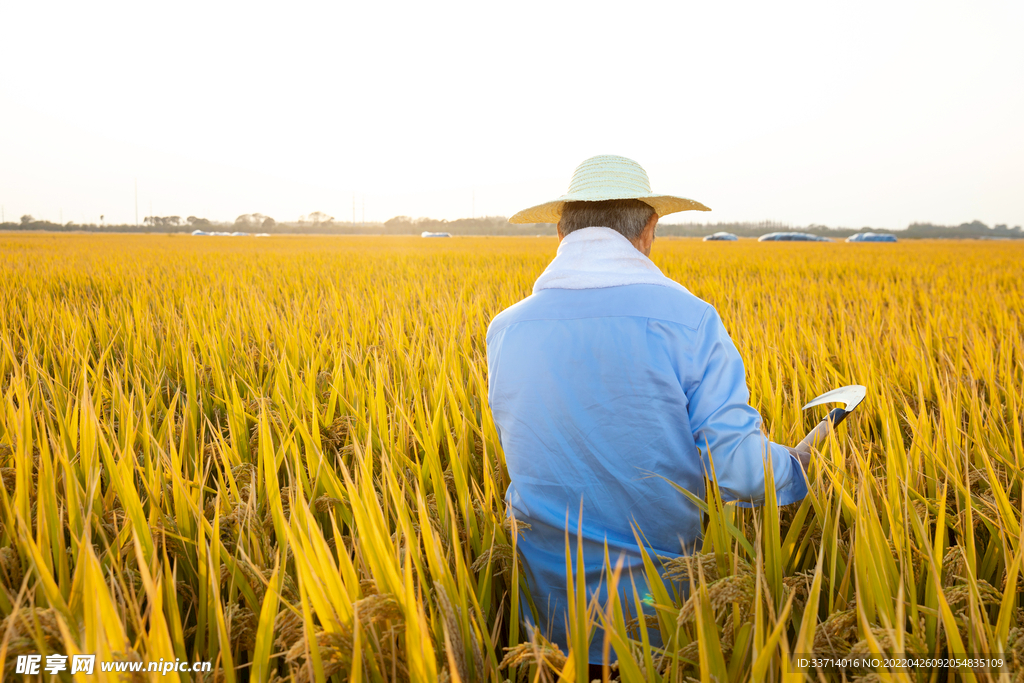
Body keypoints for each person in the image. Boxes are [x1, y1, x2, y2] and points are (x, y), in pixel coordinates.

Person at [485, 155, 810, 669]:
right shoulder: (691, 322)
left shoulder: (507, 328)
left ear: (560, 229)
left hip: (544, 629)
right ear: (649, 229)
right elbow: (742, 474)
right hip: (659, 624)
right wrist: (797, 465)